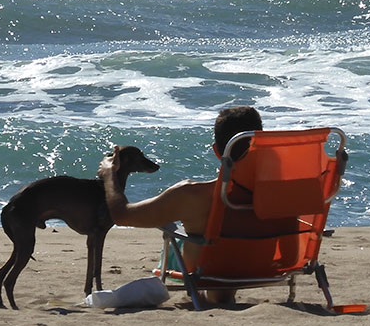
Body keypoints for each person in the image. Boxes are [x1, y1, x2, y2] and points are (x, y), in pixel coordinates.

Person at [98, 106, 263, 276]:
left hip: (210, 268)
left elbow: (122, 215)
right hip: (267, 265)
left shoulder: (191, 195)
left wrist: (109, 173)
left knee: (182, 234)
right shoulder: (281, 192)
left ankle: (216, 293)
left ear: (216, 150)